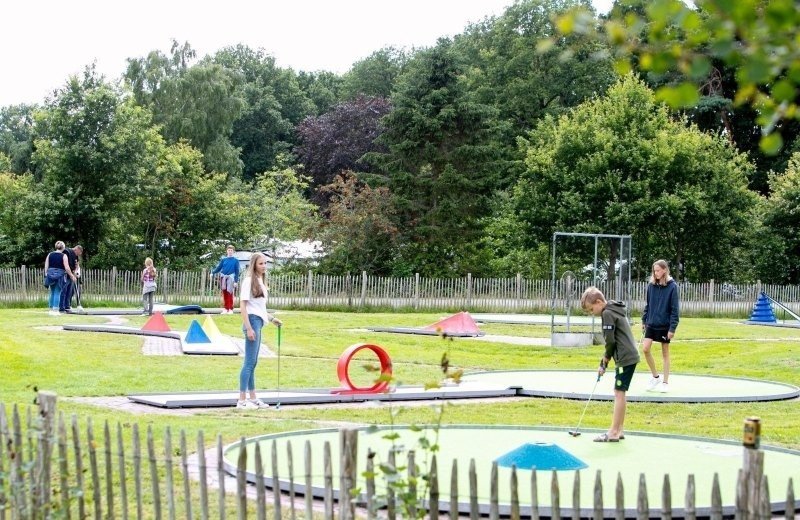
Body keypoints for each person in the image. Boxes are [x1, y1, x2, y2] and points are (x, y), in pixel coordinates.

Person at [581, 286, 640, 442]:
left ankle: (613, 432)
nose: (592, 313)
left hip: (625, 356)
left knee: (619, 392)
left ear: (599, 302)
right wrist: (605, 360)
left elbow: (610, 341)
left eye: (591, 309)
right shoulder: (614, 309)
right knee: (620, 392)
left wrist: (604, 361)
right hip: (629, 355)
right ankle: (619, 430)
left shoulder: (607, 313)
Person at [237, 252, 282, 410]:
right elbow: (243, 306)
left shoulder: (260, 281)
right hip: (252, 322)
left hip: (259, 321)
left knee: (253, 362)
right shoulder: (248, 281)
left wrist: (271, 319)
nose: (264, 266)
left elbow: (259, 307)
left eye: (265, 263)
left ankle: (253, 398)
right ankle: (241, 401)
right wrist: (249, 327)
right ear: (254, 265)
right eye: (261, 264)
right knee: (249, 363)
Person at [641, 259, 680, 393]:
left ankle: (665, 382)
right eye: (654, 271)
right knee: (645, 349)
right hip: (651, 323)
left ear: (664, 270)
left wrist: (672, 328)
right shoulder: (651, 285)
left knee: (665, 353)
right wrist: (644, 320)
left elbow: (675, 310)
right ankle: (655, 377)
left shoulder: (672, 287)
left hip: (665, 325)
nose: (656, 273)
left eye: (658, 270)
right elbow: (648, 304)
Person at [211, 245, 240, 314]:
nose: (230, 252)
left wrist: (236, 281)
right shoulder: (223, 260)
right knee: (224, 293)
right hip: (223, 278)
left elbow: (237, 271)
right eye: (229, 250)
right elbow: (219, 268)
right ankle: (225, 308)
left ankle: (230, 309)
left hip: (231, 278)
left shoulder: (235, 261)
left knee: (230, 293)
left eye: (231, 250)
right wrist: (213, 272)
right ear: (227, 251)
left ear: (233, 252)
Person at [44, 241, 69, 316]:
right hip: (60, 275)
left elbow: (46, 265)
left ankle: (51, 309)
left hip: (50, 274)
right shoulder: (64, 255)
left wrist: (46, 274)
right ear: (63, 247)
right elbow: (67, 267)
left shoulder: (50, 254)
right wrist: (71, 274)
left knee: (52, 292)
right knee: (58, 292)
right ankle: (55, 310)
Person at [59, 244, 82, 313]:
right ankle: (61, 307)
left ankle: (67, 306)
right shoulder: (67, 251)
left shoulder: (76, 256)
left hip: (71, 274)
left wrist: (74, 273)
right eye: (79, 252)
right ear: (77, 249)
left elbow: (76, 265)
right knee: (64, 291)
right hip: (65, 274)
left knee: (69, 292)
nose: (79, 254)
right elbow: (66, 264)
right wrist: (71, 274)